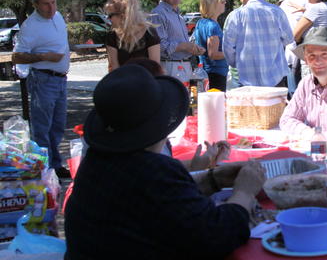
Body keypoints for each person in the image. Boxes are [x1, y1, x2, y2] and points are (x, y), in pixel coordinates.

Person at [64, 64, 266, 259]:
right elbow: (216, 237)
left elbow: (160, 201)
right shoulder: (152, 170)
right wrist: (244, 192)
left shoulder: (97, 162)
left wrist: (214, 179)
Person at [12, 0, 71, 179]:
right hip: (43, 78)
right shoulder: (31, 25)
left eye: (53, 2)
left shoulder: (58, 16)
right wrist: (43, 56)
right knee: (42, 127)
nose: (51, 7)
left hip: (60, 78)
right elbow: (17, 56)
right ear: (36, 4)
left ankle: (54, 164)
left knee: (58, 125)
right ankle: (43, 168)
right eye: (46, 4)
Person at [223, 0, 293, 87]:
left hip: (246, 79)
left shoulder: (236, 16)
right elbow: (289, 39)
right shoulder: (276, 12)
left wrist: (237, 63)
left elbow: (228, 48)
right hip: (275, 77)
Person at [151, 0, 205, 82]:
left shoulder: (177, 14)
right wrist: (184, 46)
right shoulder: (158, 14)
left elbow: (179, 43)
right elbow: (160, 47)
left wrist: (193, 48)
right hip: (169, 67)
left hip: (184, 66)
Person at [104, 0, 160, 71]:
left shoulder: (150, 32)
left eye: (110, 15)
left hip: (146, 81)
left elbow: (155, 67)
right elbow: (113, 67)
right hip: (122, 81)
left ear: (123, 16)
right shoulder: (112, 36)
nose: (108, 19)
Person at [193, 0, 228, 91]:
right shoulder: (213, 26)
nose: (225, 3)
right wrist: (232, 53)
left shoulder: (201, 22)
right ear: (214, 4)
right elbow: (213, 54)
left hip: (206, 72)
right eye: (222, 1)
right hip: (216, 73)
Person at [280, 0, 310, 90]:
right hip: (302, 51)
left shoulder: (284, 3)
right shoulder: (307, 2)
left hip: (287, 52)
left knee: (291, 91)